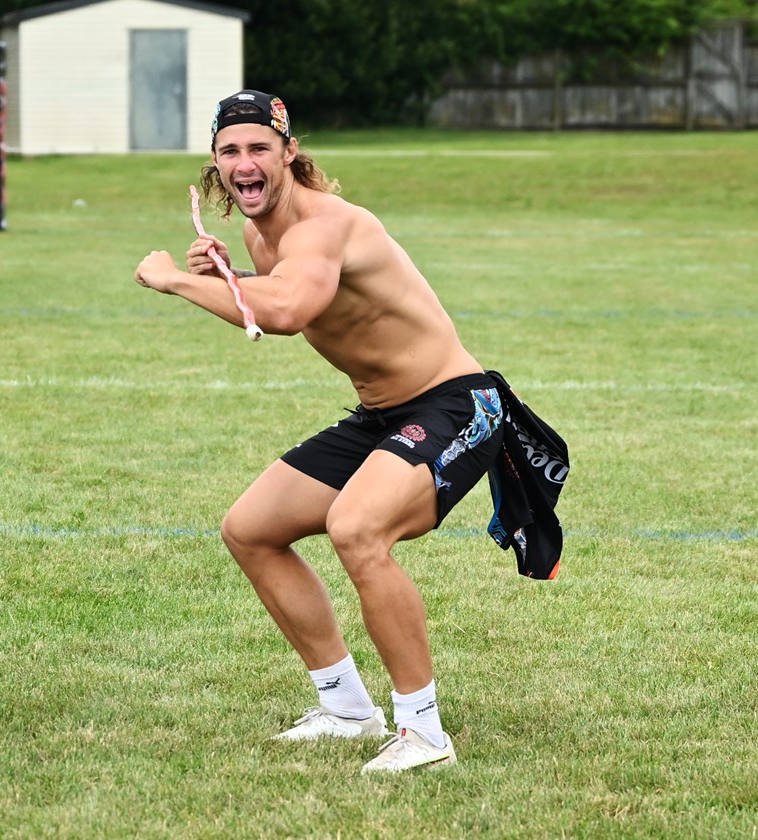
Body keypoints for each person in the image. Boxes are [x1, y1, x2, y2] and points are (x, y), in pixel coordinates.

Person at [134, 89, 507, 773]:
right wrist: (233, 274)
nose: (244, 163)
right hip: (384, 414)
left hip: (456, 405)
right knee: (250, 529)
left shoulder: (323, 222)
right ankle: (346, 711)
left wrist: (173, 282)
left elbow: (287, 308)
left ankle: (424, 735)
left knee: (357, 529)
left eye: (258, 149)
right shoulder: (260, 233)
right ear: (214, 164)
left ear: (290, 154)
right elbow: (289, 292)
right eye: (230, 151)